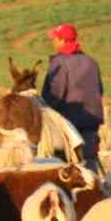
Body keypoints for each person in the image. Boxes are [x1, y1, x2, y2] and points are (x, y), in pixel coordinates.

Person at [40, 22, 104, 168]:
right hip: (91, 123)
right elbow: (100, 91)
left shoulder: (59, 63)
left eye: (55, 38)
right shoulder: (91, 62)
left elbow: (55, 96)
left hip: (67, 124)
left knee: (63, 166)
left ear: (63, 41)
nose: (53, 41)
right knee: (88, 163)